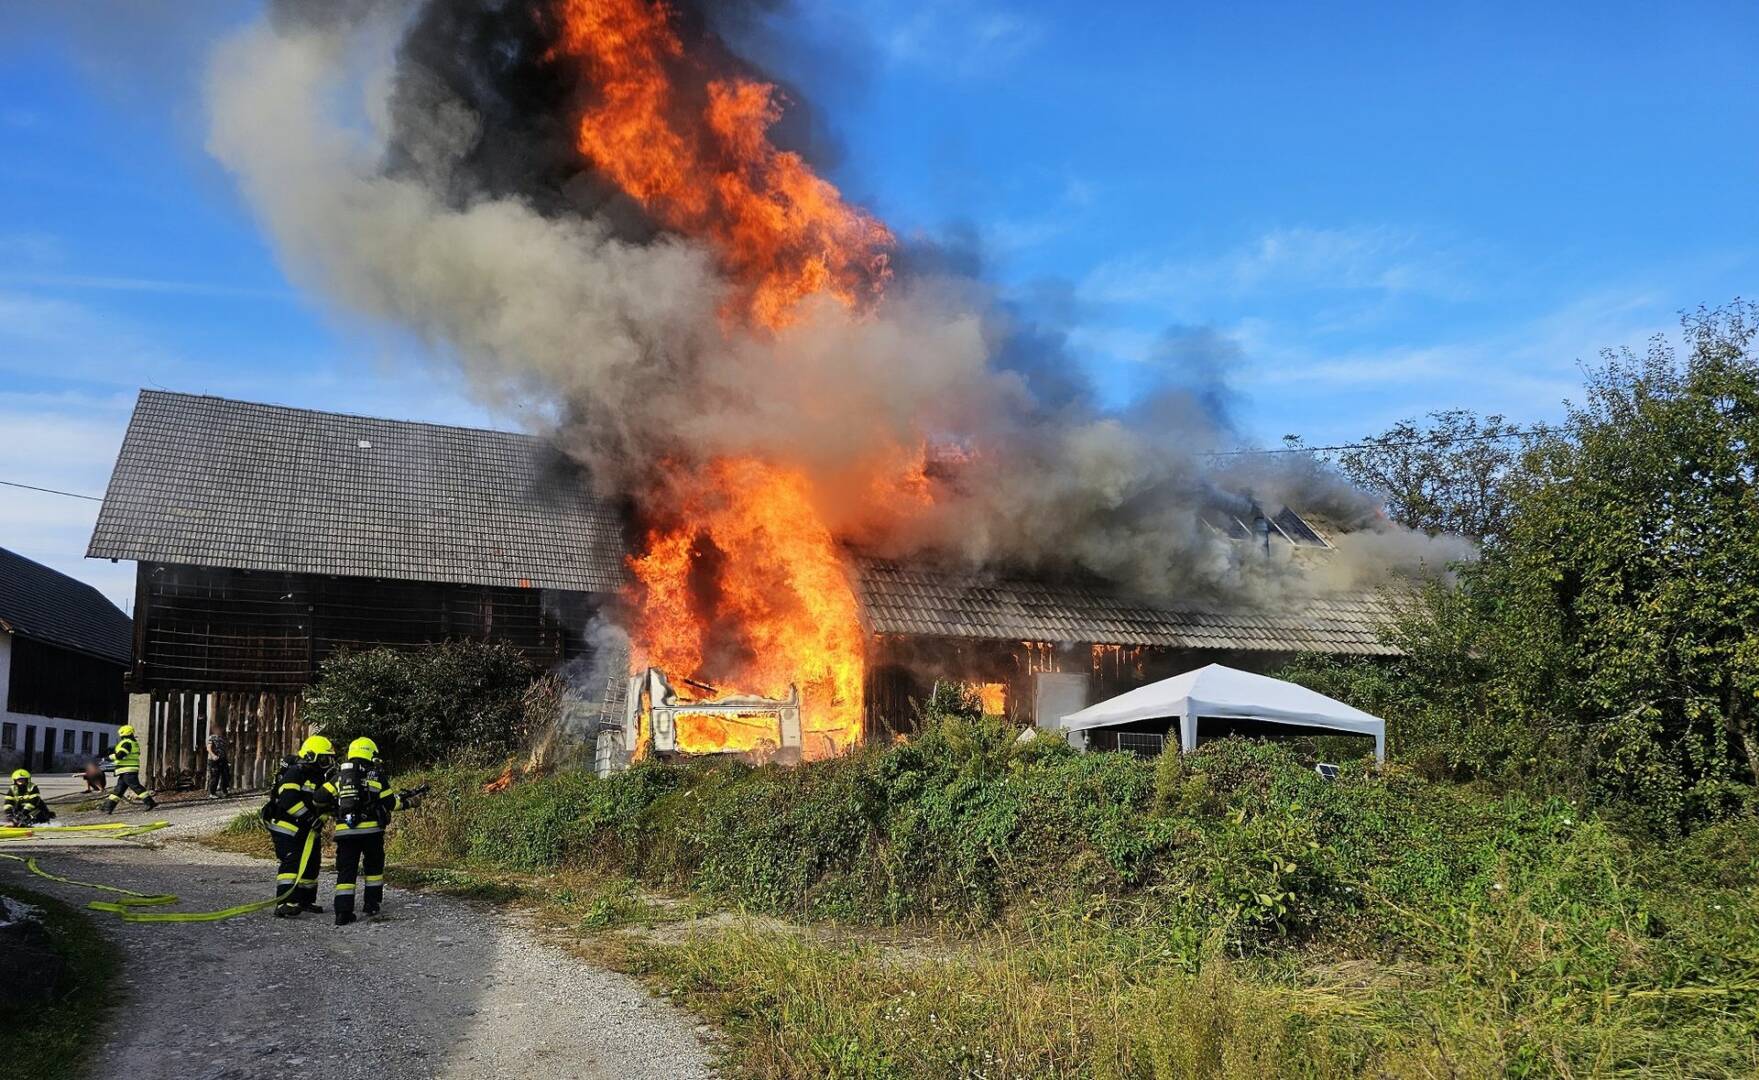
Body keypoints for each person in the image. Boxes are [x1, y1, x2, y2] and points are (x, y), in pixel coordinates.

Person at [330, 737, 423, 926]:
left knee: (346, 871)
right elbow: (390, 803)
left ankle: (343, 913)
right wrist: (410, 802)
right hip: (371, 832)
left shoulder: (341, 775)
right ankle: (371, 904)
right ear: (370, 753)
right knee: (373, 868)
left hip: (345, 832)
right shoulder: (375, 775)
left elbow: (320, 797)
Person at [259, 735, 336, 919]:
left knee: (312, 864)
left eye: (330, 758)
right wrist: (310, 818)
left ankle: (305, 901)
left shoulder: (318, 776)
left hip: (306, 828)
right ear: (311, 756)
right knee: (291, 862)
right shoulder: (295, 772)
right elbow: (288, 800)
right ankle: (284, 903)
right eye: (324, 758)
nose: (328, 763)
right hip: (287, 826)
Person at [100, 724, 157, 814]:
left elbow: (120, 755)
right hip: (125, 770)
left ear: (122, 734)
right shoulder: (132, 743)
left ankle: (150, 802)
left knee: (136, 787)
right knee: (119, 790)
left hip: (127, 770)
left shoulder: (126, 743)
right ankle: (107, 807)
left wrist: (108, 758)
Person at [206, 725, 231, 799]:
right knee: (214, 776)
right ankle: (212, 793)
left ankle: (224, 791)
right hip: (214, 760)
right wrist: (213, 755)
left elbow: (225, 750)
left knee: (225, 776)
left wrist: (227, 760)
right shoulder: (212, 737)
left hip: (223, 759)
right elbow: (209, 748)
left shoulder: (223, 738)